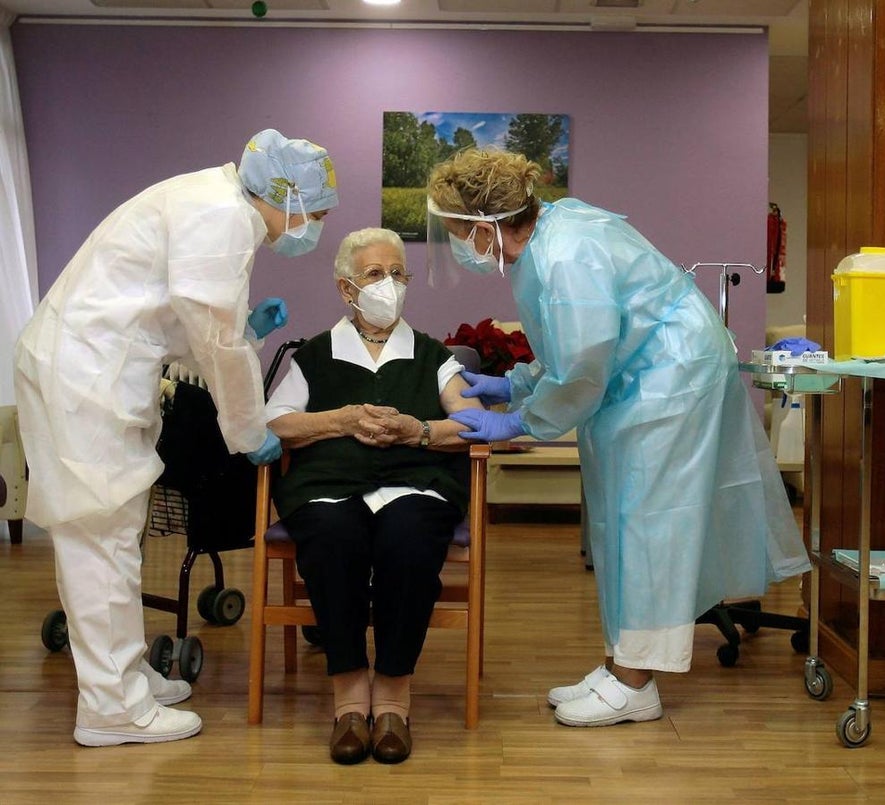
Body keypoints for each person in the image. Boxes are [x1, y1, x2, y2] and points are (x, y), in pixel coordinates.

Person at [426, 148, 811, 728]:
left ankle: (637, 684)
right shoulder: (552, 236)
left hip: (668, 382)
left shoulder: (565, 253)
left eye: (459, 232)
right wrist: (515, 382)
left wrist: (522, 419)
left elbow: (583, 364)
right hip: (643, 378)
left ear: (486, 228)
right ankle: (620, 664)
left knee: (648, 523)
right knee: (618, 520)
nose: (458, 243)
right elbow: (569, 344)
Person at [14, 128, 339, 746]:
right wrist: (250, 431)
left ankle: (125, 676)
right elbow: (212, 342)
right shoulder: (220, 219)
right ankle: (113, 710)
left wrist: (244, 328)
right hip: (85, 379)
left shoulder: (212, 202)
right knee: (101, 537)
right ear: (285, 197)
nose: (311, 229)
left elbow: (185, 319)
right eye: (315, 215)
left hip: (93, 372)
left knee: (116, 536)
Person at [265, 227, 483, 765]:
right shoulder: (314, 356)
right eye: (374, 275)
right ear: (346, 289)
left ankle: (392, 697)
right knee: (333, 537)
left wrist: (419, 431)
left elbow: (474, 422)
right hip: (329, 487)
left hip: (416, 483)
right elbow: (276, 423)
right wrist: (338, 419)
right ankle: (347, 697)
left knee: (408, 540)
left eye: (397, 274)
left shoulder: (432, 354)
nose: (389, 284)